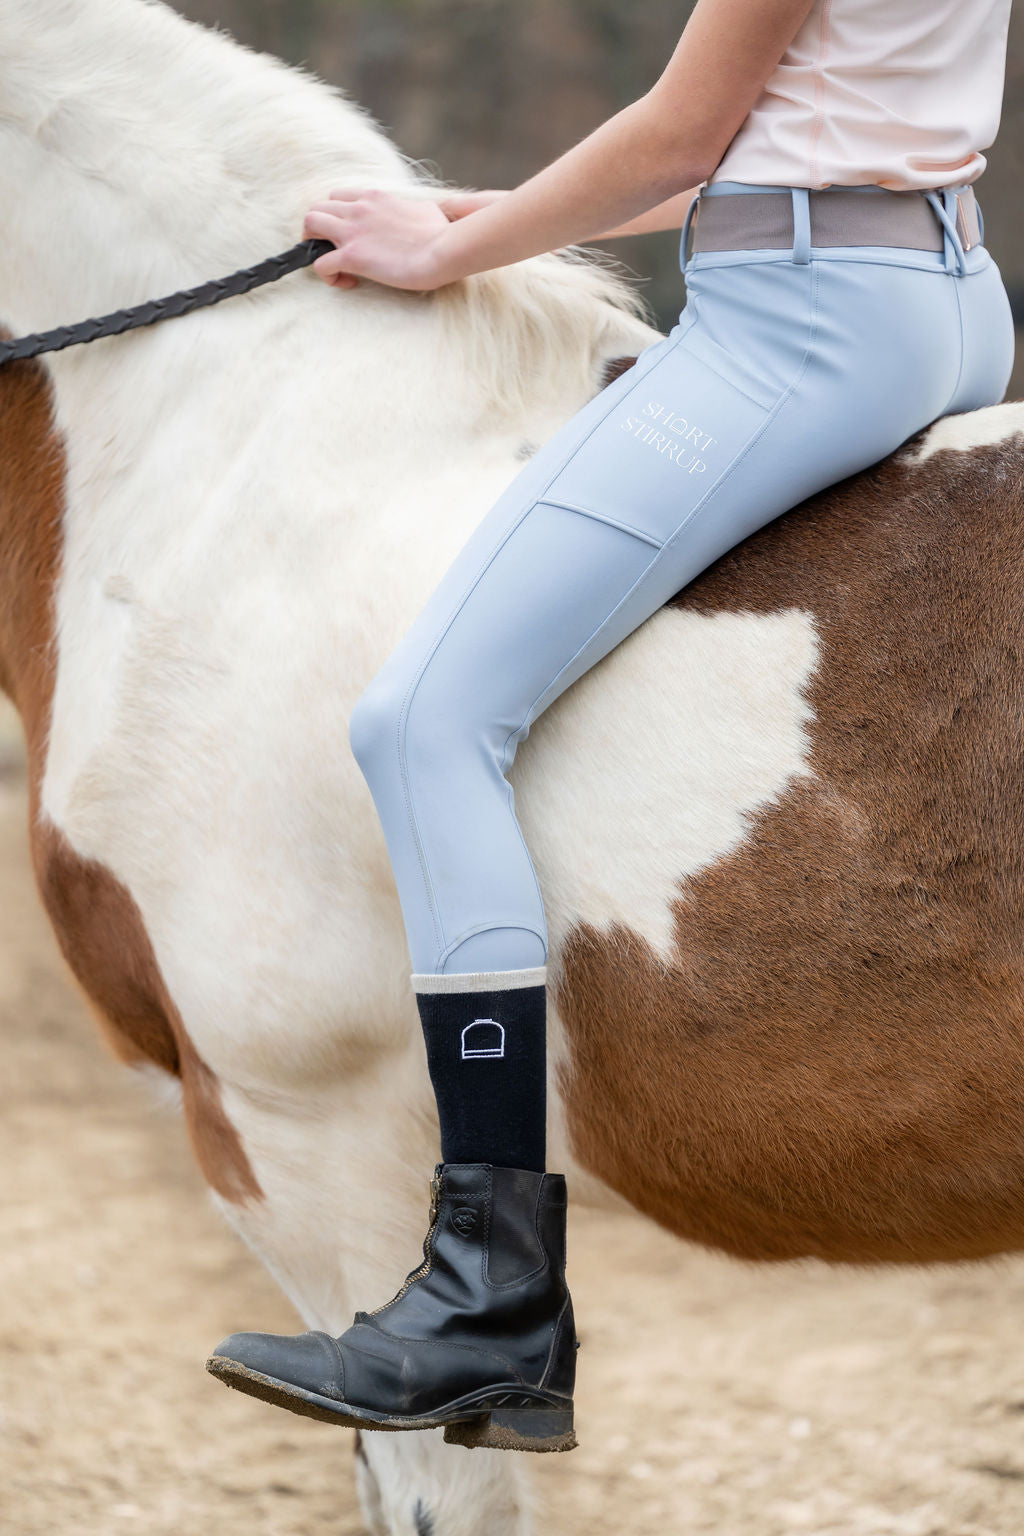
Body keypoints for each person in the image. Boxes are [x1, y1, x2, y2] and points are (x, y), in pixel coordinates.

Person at [206, 0, 1016, 1453]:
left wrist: (445, 251)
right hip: (939, 291)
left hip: (801, 325)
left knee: (424, 718)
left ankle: (488, 1290)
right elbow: (795, 122)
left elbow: (677, 130)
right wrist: (491, 212)